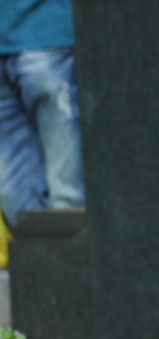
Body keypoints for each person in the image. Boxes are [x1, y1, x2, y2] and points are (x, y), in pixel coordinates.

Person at [0, 0, 84, 224]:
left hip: (50, 37)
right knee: (14, 202)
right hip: (15, 43)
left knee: (69, 197)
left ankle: (71, 259)